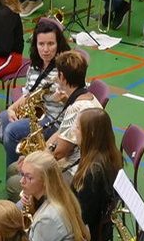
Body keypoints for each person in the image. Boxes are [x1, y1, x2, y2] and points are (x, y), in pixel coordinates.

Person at [7, 152, 89, 241]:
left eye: (29, 177)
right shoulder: (62, 195)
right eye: (22, 174)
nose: (22, 181)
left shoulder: (48, 218)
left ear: (45, 181)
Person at [0, 17, 66, 160]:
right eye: (41, 44)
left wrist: (64, 98)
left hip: (54, 122)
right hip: (36, 114)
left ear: (58, 44)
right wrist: (11, 108)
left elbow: (76, 102)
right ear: (35, 44)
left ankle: (15, 170)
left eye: (51, 44)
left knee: (10, 132)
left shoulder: (65, 68)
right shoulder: (35, 66)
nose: (45, 50)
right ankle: (24, 153)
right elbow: (28, 94)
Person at [28, 49, 102, 179]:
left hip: (75, 172)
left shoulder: (76, 108)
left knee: (15, 179)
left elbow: (59, 153)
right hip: (87, 166)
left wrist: (35, 159)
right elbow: (62, 132)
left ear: (62, 77)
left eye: (57, 74)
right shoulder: (89, 97)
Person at [70, 106, 122, 237]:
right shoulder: (109, 154)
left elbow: (83, 216)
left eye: (77, 128)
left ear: (91, 133)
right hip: (97, 223)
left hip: (86, 231)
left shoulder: (92, 173)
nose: (73, 130)